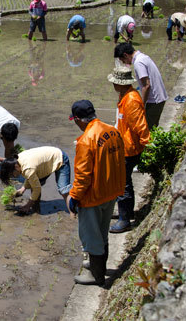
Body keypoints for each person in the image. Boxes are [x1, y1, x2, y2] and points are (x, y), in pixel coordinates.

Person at [67, 100, 125, 286]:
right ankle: (96, 265)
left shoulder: (86, 141)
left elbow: (83, 176)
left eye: (75, 121)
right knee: (102, 232)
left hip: (94, 197)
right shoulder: (112, 131)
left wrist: (74, 197)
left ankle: (96, 276)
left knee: (92, 236)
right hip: (111, 191)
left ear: (78, 119)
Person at [107, 68, 150, 233]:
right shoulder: (124, 96)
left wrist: (148, 146)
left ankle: (125, 220)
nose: (112, 84)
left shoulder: (131, 100)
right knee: (124, 183)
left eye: (114, 81)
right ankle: (127, 213)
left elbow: (141, 126)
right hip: (123, 146)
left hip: (129, 149)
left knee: (122, 184)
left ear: (120, 83)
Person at [0, 146, 72, 215]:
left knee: (64, 191)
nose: (13, 176)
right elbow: (31, 176)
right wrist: (23, 188)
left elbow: (37, 188)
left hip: (60, 158)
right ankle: (36, 209)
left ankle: (73, 213)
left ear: (15, 167)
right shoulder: (18, 160)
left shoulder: (27, 168)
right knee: (33, 184)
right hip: (47, 162)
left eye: (12, 175)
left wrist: (28, 205)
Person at [114, 43, 168, 128]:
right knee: (152, 126)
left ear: (125, 55)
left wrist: (141, 105)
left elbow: (146, 85)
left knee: (147, 129)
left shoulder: (138, 63)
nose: (124, 63)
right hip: (159, 97)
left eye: (123, 60)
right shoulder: (143, 57)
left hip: (154, 100)